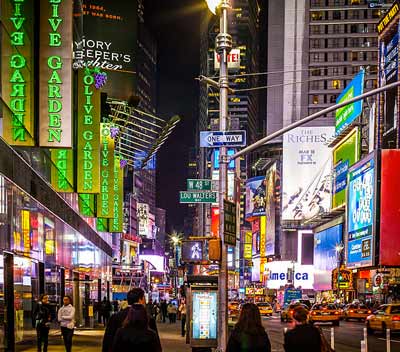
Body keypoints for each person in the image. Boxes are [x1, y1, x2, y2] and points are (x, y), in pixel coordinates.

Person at [102, 288, 159, 352]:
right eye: (144, 298)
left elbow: (108, 341)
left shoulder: (115, 317)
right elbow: (156, 347)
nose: (145, 302)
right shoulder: (149, 319)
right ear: (140, 300)